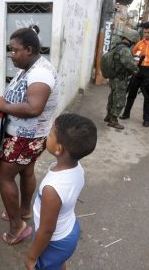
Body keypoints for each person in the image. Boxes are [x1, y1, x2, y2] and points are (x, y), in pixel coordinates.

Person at [0, 27, 60, 245]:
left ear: (29, 50)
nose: (11, 55)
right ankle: (23, 211)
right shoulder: (29, 68)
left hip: (26, 137)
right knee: (26, 171)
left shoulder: (40, 73)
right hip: (26, 135)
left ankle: (17, 227)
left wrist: (2, 104)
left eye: (14, 50)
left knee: (3, 175)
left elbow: (34, 108)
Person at [25, 113, 97, 270]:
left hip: (55, 242)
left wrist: (31, 256)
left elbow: (47, 230)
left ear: (58, 148)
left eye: (50, 134)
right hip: (69, 229)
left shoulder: (52, 189)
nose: (47, 136)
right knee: (57, 263)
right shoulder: (78, 169)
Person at [103, 28, 140, 129]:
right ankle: (113, 120)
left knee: (112, 97)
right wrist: (136, 69)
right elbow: (129, 64)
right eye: (134, 41)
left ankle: (108, 116)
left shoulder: (116, 46)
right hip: (120, 78)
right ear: (132, 39)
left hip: (113, 77)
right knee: (120, 99)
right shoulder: (125, 49)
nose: (134, 43)